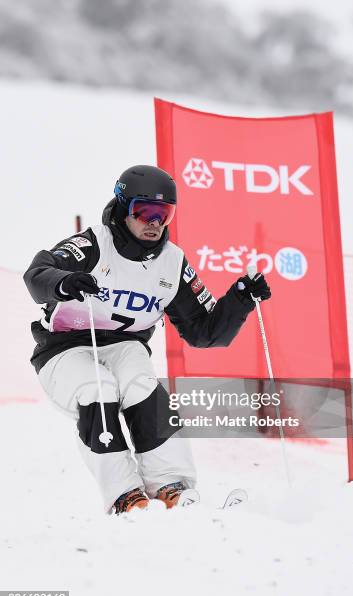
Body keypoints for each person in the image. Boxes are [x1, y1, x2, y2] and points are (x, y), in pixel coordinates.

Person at [24, 165, 271, 514]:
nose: (154, 221)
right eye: (144, 211)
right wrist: (63, 282)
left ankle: (171, 485)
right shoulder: (94, 244)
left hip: (125, 346)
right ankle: (125, 495)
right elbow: (37, 273)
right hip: (64, 348)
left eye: (164, 213)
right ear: (124, 208)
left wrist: (240, 299)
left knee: (141, 385)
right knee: (99, 389)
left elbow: (203, 332)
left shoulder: (172, 262)